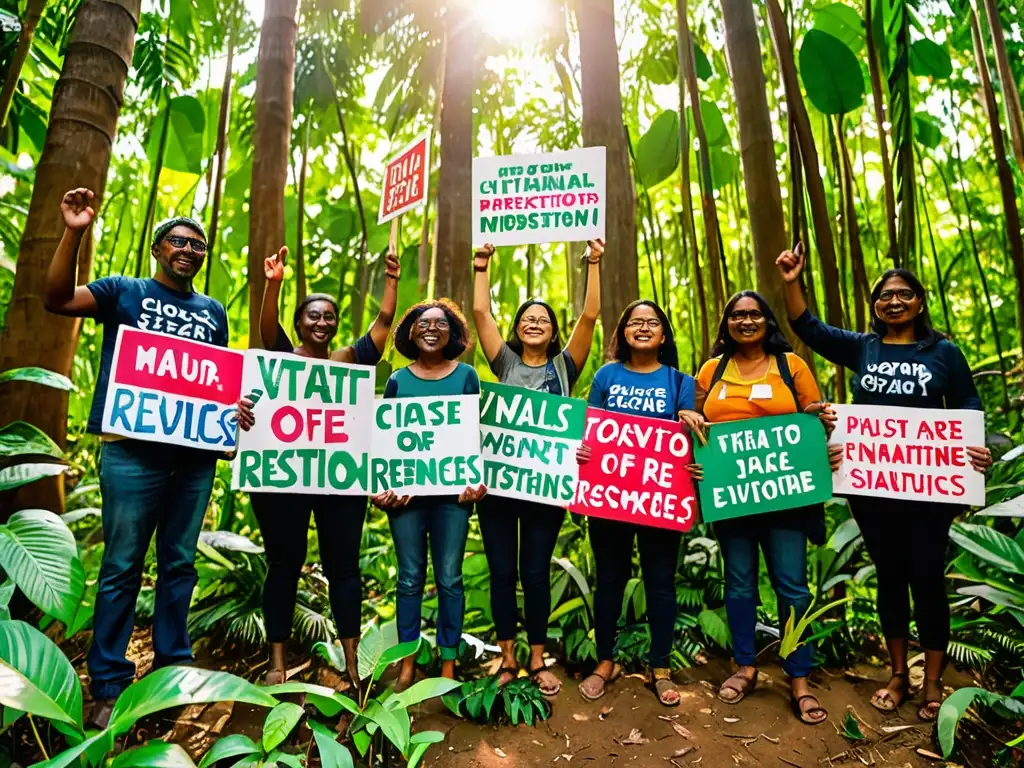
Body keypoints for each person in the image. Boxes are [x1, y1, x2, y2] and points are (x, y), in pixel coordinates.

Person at [776, 243, 993, 721]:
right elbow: (807, 328)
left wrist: (975, 445)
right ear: (876, 306)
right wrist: (792, 281)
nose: (893, 302)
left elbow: (967, 402)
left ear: (919, 301)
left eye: (903, 294)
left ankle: (933, 682)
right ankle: (898, 675)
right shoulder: (864, 347)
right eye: (884, 296)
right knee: (891, 577)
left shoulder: (943, 352)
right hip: (872, 489)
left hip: (931, 489)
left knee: (928, 578)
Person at [43, 189, 229, 727]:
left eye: (198, 244)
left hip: (192, 462)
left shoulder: (211, 311)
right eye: (178, 240)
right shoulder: (125, 292)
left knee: (179, 565)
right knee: (122, 566)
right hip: (131, 458)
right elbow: (56, 299)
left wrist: (231, 410)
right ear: (158, 248)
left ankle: (174, 670)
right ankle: (107, 683)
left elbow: (213, 381)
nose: (189, 249)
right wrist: (74, 230)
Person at [235, 243, 400, 693]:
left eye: (329, 316)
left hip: (340, 483)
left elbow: (384, 324)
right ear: (299, 324)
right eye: (313, 316)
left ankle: (351, 659)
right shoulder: (284, 360)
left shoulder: (351, 361)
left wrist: (391, 280)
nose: (323, 322)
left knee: (343, 567)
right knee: (284, 564)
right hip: (282, 481)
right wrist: (274, 284)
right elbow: (265, 328)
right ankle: (277, 661)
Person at [689, 291, 841, 725]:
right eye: (737, 315)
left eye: (754, 313)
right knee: (738, 584)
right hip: (732, 497)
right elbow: (692, 426)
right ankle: (746, 666)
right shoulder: (711, 370)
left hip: (787, 495)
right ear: (727, 323)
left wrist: (823, 436)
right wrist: (694, 452)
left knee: (793, 587)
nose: (746, 320)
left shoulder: (792, 366)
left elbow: (816, 419)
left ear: (768, 321)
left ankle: (799, 677)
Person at [471, 239, 602, 696]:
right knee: (503, 572)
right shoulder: (504, 361)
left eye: (543, 319)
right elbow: (481, 316)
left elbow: (589, 317)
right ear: (518, 327)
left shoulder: (566, 366)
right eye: (527, 317)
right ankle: (507, 658)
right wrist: (482, 266)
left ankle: (537, 657)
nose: (534, 322)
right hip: (500, 489)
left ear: (553, 330)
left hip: (545, 490)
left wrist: (595, 263)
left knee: (535, 573)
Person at [576, 300, 704, 706]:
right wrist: (582, 451)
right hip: (610, 498)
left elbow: (689, 434)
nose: (644, 328)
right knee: (610, 581)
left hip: (662, 499)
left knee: (661, 584)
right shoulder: (605, 375)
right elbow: (591, 428)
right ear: (624, 332)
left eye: (652, 323)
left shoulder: (680, 380)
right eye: (635, 322)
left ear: (664, 335)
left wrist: (693, 434)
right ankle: (605, 662)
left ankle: (660, 666)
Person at [371, 299, 488, 692]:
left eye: (441, 323)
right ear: (411, 332)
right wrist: (380, 485)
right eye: (423, 322)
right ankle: (407, 661)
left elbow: (477, 437)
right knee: (408, 580)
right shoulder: (398, 382)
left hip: (452, 497)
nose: (431, 328)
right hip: (406, 498)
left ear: (452, 333)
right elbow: (387, 441)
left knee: (451, 578)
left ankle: (449, 661)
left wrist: (478, 479)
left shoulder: (467, 376)